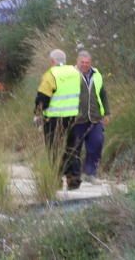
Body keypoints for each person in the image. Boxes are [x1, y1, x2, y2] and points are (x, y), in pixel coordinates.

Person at [34, 48, 82, 190]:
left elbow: (42, 99)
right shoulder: (76, 73)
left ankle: (56, 180)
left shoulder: (51, 74)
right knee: (72, 148)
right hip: (73, 117)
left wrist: (37, 115)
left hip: (54, 119)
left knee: (54, 149)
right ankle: (73, 179)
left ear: (53, 61)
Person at [72, 50, 110, 186]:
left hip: (95, 118)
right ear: (77, 62)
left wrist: (106, 113)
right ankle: (74, 176)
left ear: (90, 63)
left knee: (97, 143)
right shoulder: (71, 74)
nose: (84, 65)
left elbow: (103, 94)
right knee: (74, 148)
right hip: (76, 119)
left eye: (87, 63)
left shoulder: (97, 75)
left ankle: (90, 173)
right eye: (82, 62)